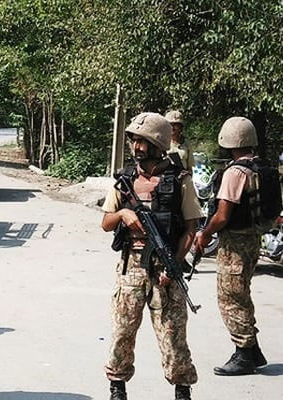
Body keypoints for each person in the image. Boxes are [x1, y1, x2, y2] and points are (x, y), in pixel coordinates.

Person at [101, 112, 200, 400]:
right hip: (131, 267)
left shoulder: (180, 180)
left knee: (173, 337)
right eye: (133, 141)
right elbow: (106, 222)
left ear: (158, 143)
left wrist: (176, 265)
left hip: (165, 270)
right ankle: (117, 387)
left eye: (143, 141)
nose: (137, 147)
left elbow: (191, 229)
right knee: (122, 331)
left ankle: (182, 390)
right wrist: (123, 213)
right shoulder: (125, 179)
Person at [194, 117, 270, 376]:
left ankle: (244, 354)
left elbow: (223, 215)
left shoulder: (235, 172)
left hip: (235, 243)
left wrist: (204, 233)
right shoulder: (260, 168)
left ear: (227, 141)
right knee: (242, 293)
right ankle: (254, 348)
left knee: (230, 298)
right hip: (253, 239)